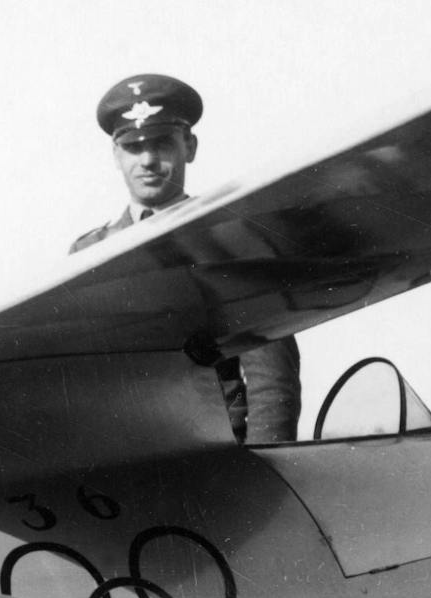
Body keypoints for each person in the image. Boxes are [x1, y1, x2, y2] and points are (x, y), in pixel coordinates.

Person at [70, 73, 302, 443]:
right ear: (116, 155)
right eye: (133, 147)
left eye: (162, 143)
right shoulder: (90, 254)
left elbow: (271, 378)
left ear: (189, 146)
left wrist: (265, 469)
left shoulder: (233, 240)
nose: (147, 160)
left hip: (217, 458)